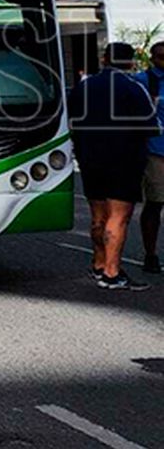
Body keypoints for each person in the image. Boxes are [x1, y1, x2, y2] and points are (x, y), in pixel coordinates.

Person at [68, 42, 160, 290]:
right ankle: (112, 272)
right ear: (130, 62)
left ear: (105, 59)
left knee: (98, 216)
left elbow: (71, 120)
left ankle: (99, 264)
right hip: (124, 159)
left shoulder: (84, 87)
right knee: (118, 217)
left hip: (89, 158)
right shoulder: (134, 88)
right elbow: (150, 127)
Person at [137, 41, 164, 274]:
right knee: (155, 203)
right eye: (162, 57)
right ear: (153, 59)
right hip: (156, 151)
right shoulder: (144, 81)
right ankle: (151, 254)